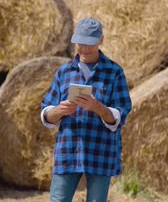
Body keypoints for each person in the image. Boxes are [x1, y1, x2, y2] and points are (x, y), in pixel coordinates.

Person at [40, 17, 132, 202]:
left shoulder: (114, 72)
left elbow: (121, 114)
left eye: (89, 43)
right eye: (80, 43)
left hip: (101, 150)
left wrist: (99, 108)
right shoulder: (63, 72)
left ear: (101, 41)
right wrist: (59, 110)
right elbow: (46, 113)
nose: (84, 48)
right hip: (68, 149)